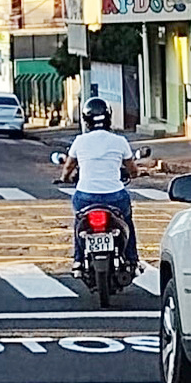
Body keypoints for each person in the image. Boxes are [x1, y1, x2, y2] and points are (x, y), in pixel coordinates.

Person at [57, 97, 140, 280]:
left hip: (86, 196)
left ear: (86, 120)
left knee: (80, 223)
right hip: (115, 197)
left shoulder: (80, 141)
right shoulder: (120, 141)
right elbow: (132, 168)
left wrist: (64, 178)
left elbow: (69, 166)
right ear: (109, 118)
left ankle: (78, 260)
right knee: (127, 221)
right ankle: (132, 258)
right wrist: (134, 174)